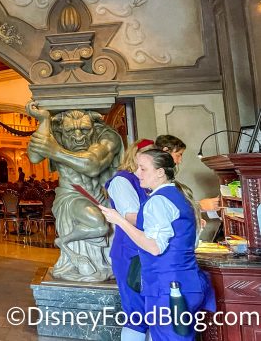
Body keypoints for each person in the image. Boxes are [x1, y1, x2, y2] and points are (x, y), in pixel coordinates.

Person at [100, 149, 216, 341]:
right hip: (188, 282)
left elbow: (155, 247)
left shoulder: (158, 201)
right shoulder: (180, 196)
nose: (137, 173)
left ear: (160, 172)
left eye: (143, 168)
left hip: (168, 286)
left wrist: (119, 220)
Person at [27, 103, 122, 281]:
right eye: (70, 131)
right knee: (99, 224)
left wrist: (56, 151)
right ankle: (64, 243)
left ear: (94, 126)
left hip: (100, 195)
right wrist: (45, 121)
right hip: (72, 195)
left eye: (85, 130)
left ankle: (103, 264)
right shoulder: (56, 135)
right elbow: (34, 156)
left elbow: (92, 165)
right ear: (62, 129)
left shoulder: (107, 136)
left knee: (118, 228)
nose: (78, 137)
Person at [104, 139, 154, 341]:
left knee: (150, 311)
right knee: (136, 312)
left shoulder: (146, 182)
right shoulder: (122, 181)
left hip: (145, 249)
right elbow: (131, 217)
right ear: (135, 155)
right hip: (129, 252)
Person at [155, 135, 220, 212]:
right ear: (165, 151)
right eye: (178, 155)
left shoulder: (166, 178)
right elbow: (167, 209)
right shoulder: (156, 179)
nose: (180, 161)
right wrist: (200, 206)